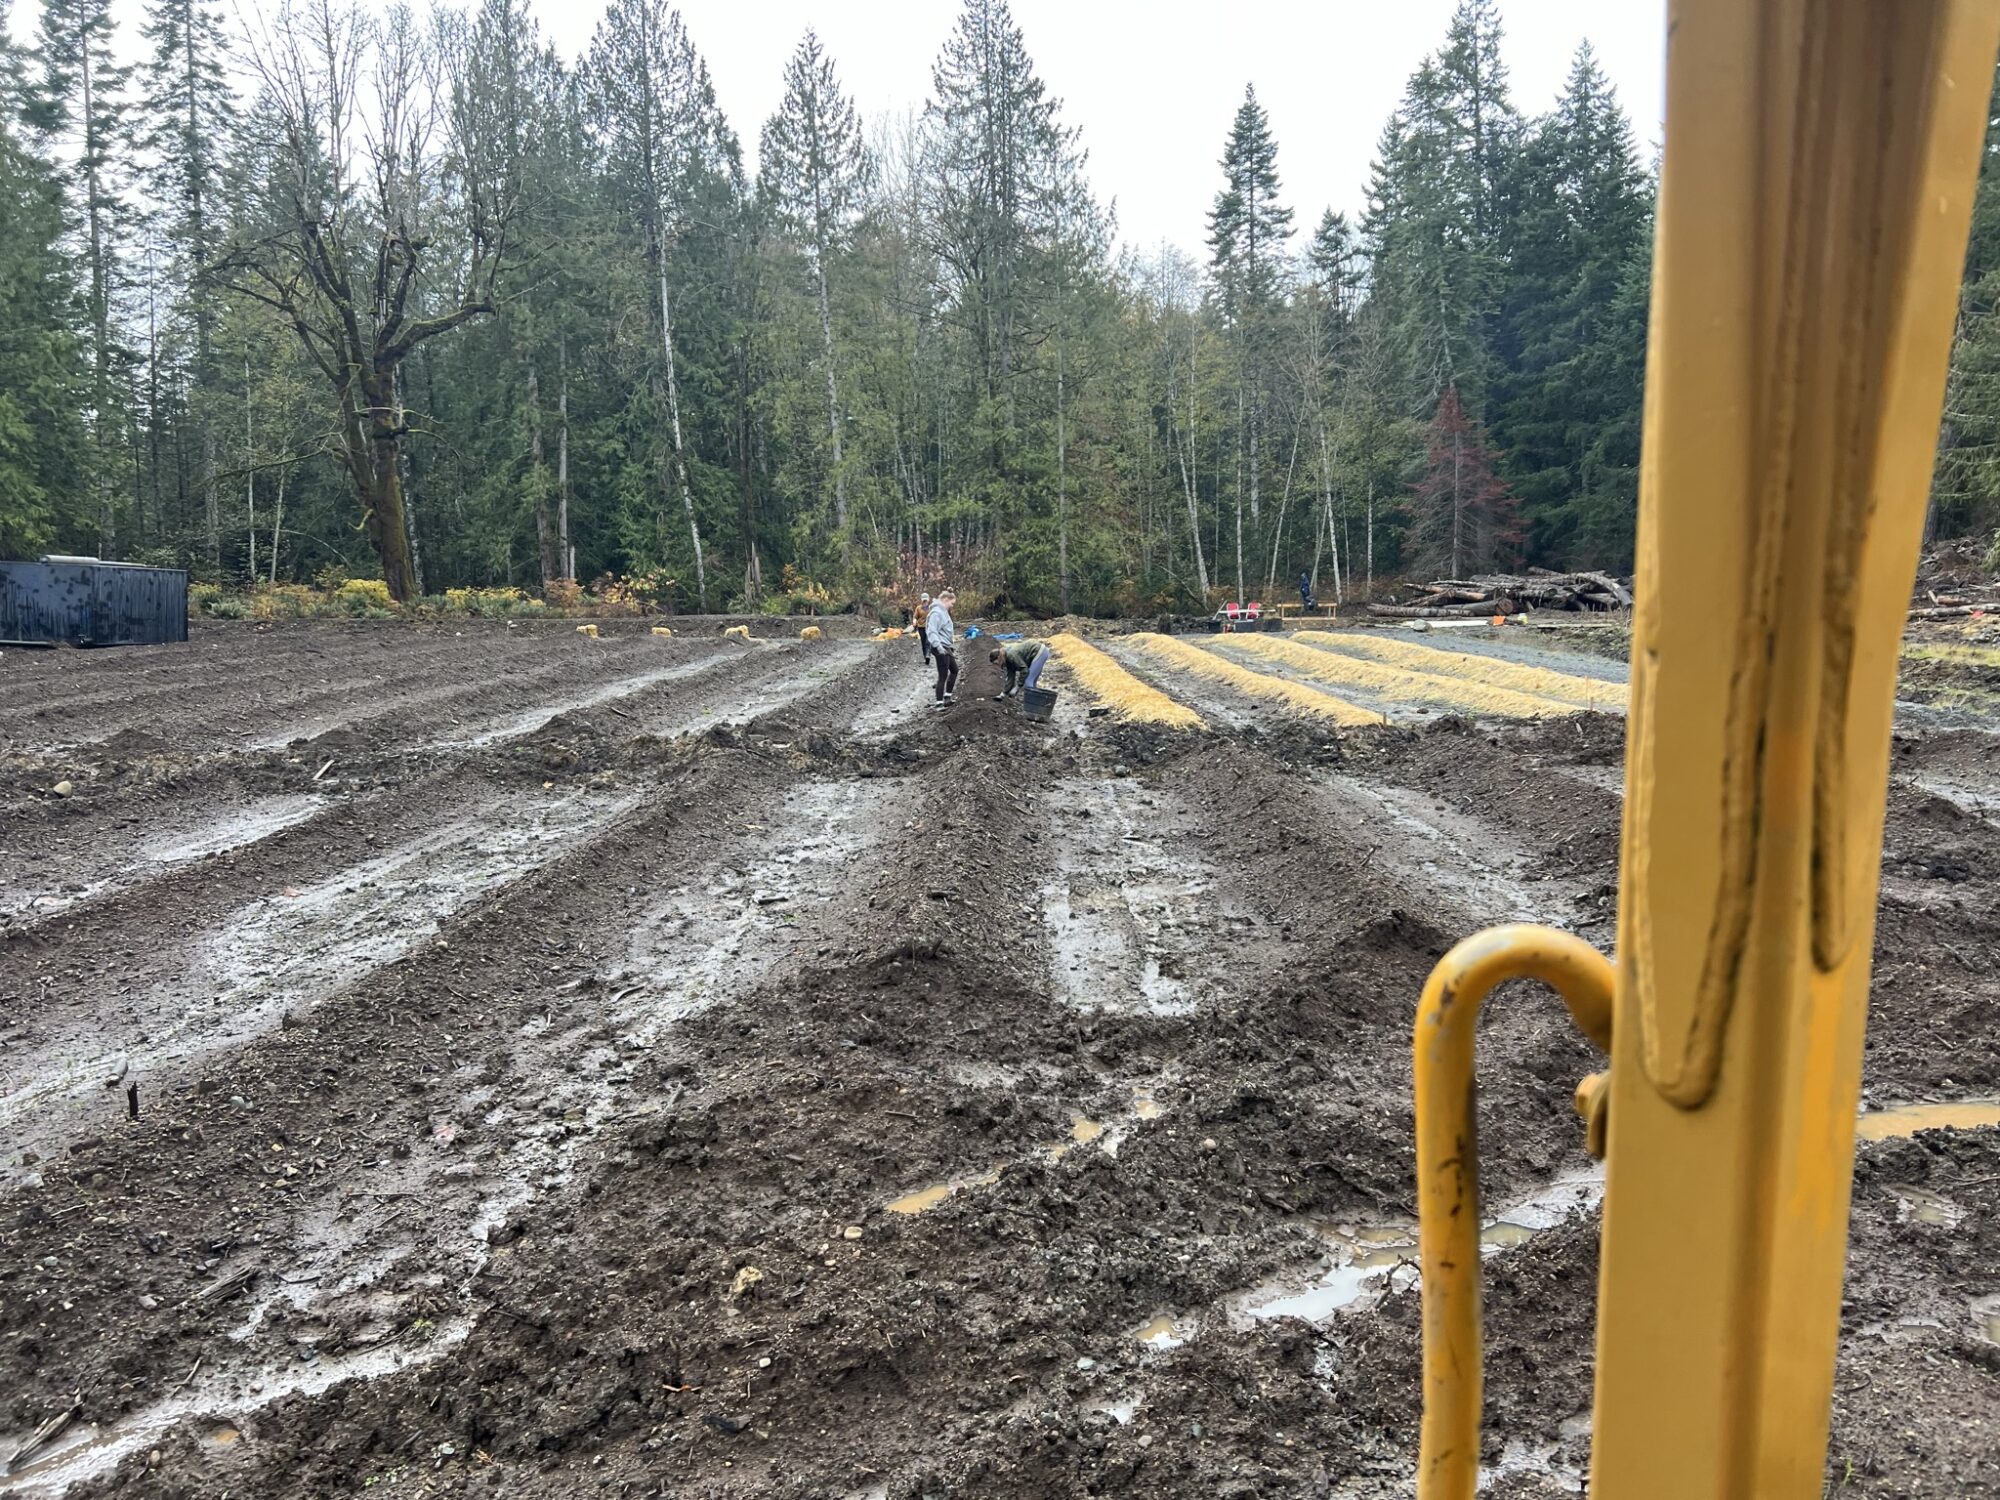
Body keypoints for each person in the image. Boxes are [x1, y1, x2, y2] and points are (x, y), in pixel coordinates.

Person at [925, 590, 959, 709]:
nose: (952, 606)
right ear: (945, 600)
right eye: (952, 603)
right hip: (940, 647)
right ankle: (939, 703)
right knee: (943, 675)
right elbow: (932, 631)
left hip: (945, 646)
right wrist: (939, 647)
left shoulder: (943, 611)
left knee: (954, 670)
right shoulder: (937, 613)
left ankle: (947, 697)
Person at [912, 592, 933, 665]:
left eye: (926, 600)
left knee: (928, 641)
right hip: (921, 627)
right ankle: (925, 657)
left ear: (928, 600)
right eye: (923, 600)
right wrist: (914, 621)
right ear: (921, 600)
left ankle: (928, 655)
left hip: (929, 627)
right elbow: (915, 617)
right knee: (923, 642)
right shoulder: (918, 608)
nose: (925, 602)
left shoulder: (931, 608)